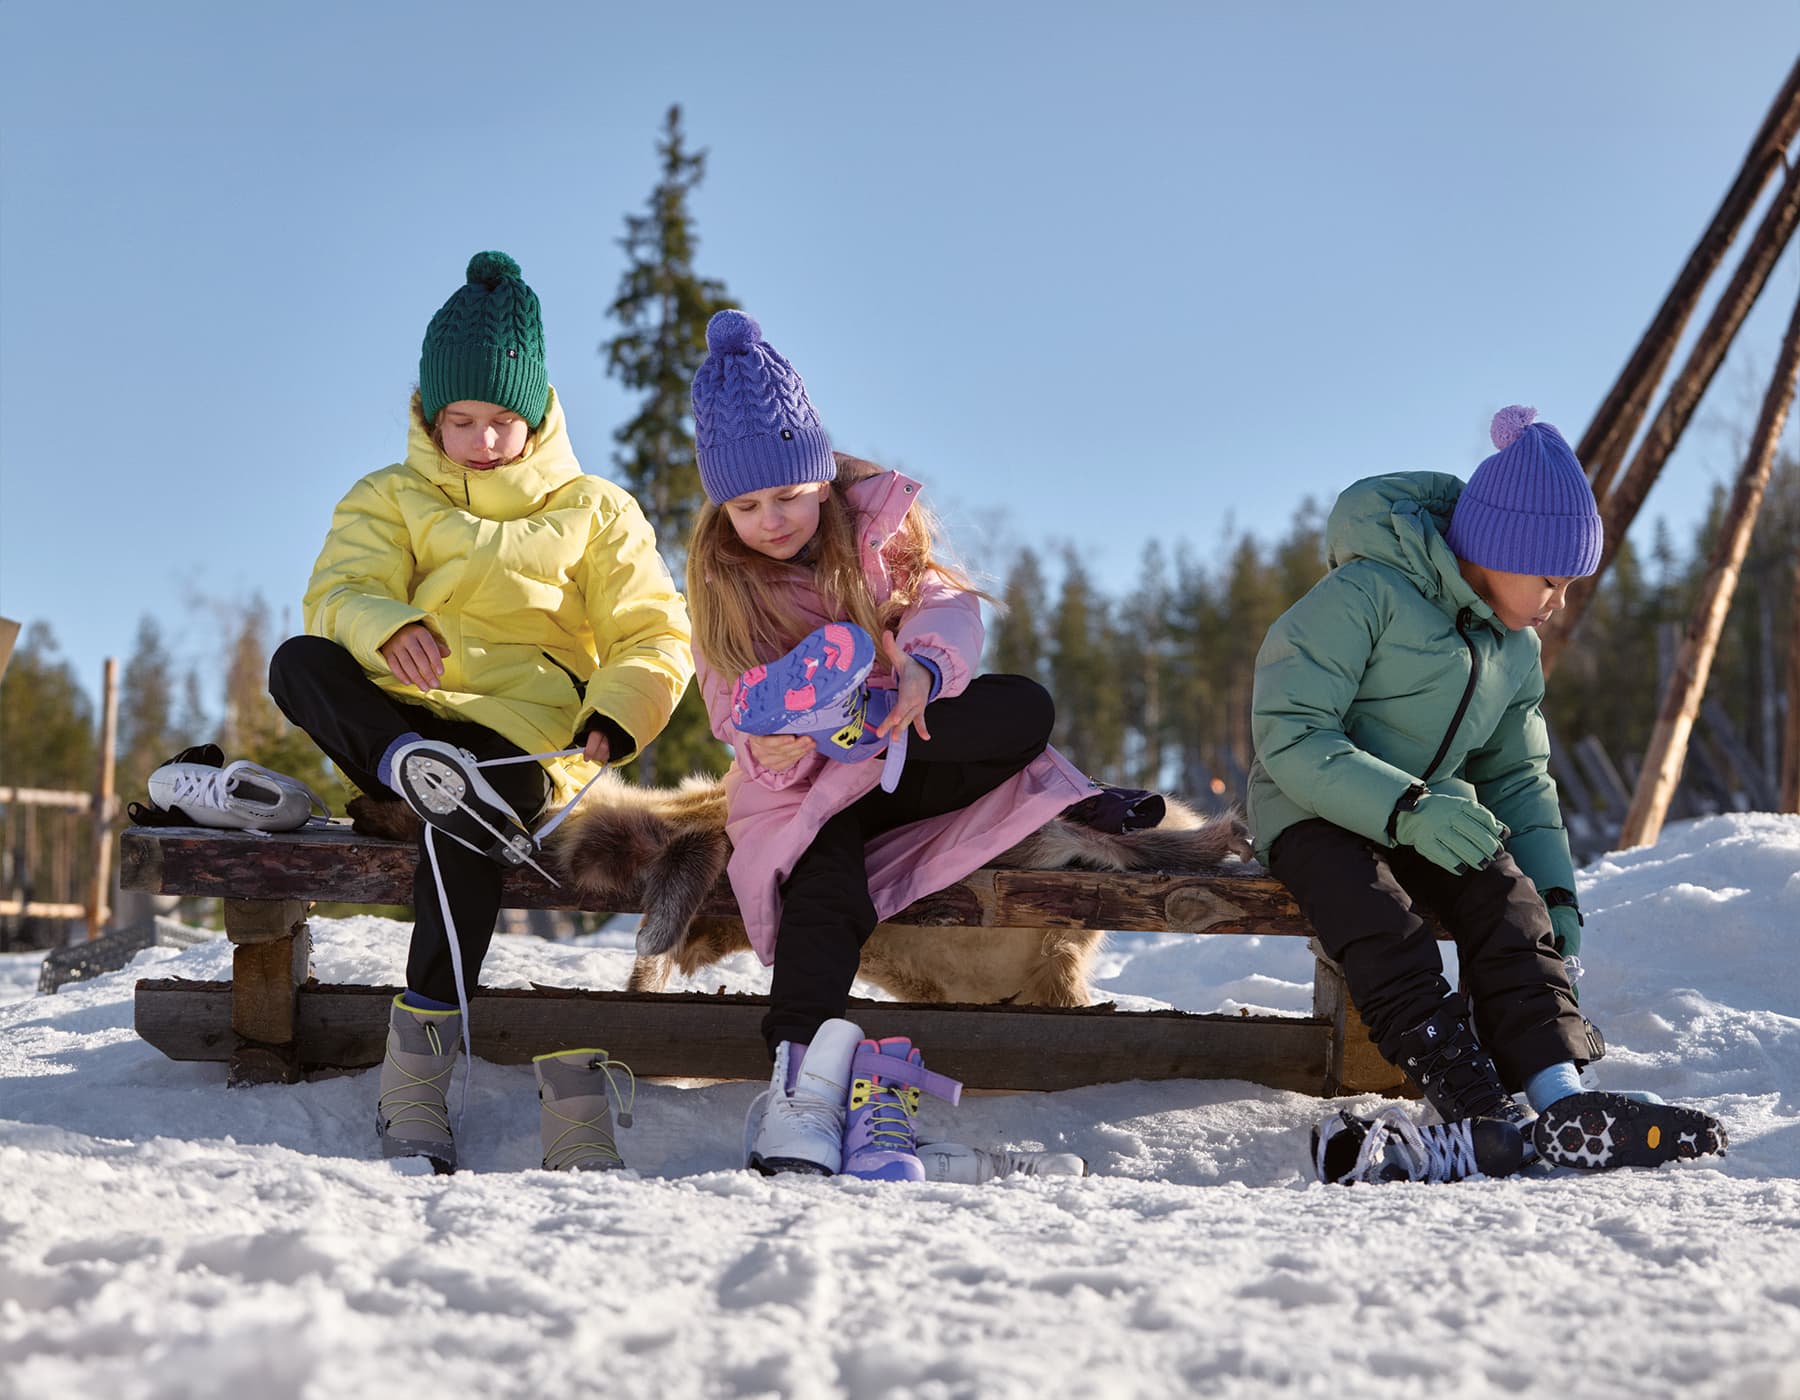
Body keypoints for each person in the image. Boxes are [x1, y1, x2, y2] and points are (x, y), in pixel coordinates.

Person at [267, 252, 692, 1174]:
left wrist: (616, 719)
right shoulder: (388, 495)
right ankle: (412, 770)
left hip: (524, 741)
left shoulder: (597, 512)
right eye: (460, 420)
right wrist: (389, 627)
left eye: (501, 420)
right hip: (408, 718)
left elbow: (655, 636)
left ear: (537, 412)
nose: (482, 440)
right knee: (297, 662)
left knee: (462, 807)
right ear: (429, 413)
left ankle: (416, 1075)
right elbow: (339, 591)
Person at [1246, 406, 1727, 1185]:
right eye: (1552, 578)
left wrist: (1557, 893)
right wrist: (1403, 808)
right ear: (1499, 550)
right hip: (1312, 808)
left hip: (1432, 814)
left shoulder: (1514, 646)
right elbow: (1293, 733)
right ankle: (1473, 1103)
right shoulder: (1364, 594)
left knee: (1507, 901)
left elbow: (1517, 778)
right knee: (1375, 914)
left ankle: (1560, 1093)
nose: (1558, 600)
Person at [685, 309, 1098, 1181]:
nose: (770, 520)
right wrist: (788, 743)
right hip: (801, 786)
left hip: (897, 744)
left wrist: (920, 671)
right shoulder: (723, 587)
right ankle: (799, 1087)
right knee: (823, 883)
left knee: (1021, 706)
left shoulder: (876, 535)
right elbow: (728, 710)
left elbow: (948, 604)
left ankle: (848, 710)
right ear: (722, 508)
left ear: (824, 480)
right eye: (747, 505)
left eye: (788, 496)